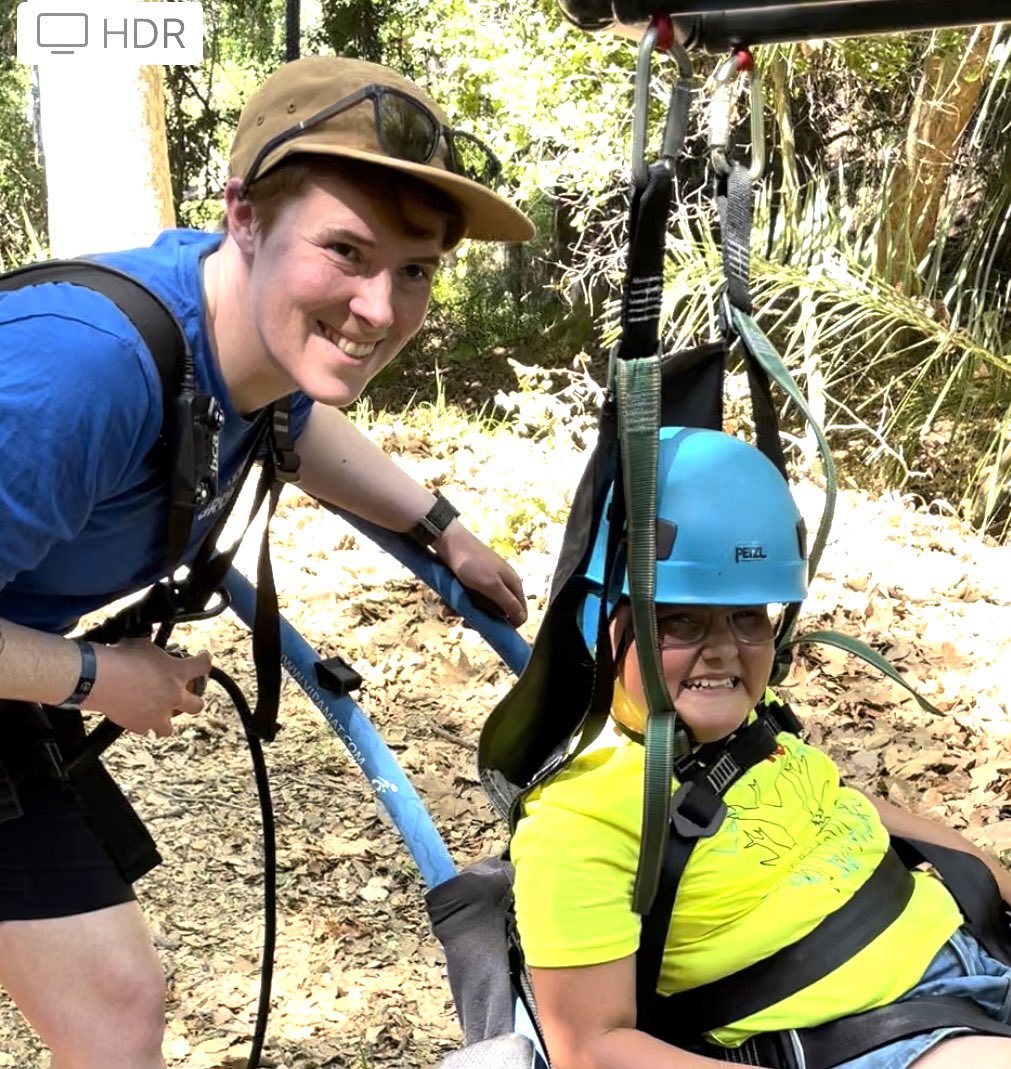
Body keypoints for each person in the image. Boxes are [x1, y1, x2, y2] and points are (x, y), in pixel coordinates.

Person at [0, 55, 533, 1069]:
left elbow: (296, 421)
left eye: (414, 269)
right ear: (243, 215)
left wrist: (440, 525)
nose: (380, 309)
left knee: (111, 1007)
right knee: (110, 1009)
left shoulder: (243, 338)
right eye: (346, 252)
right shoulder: (85, 375)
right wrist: (98, 677)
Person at [510, 426, 1011, 1069]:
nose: (723, 648)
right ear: (607, 623)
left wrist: (986, 882)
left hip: (968, 949)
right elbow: (591, 1048)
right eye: (681, 621)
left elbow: (836, 803)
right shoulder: (580, 822)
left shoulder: (755, 725)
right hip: (866, 1039)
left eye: (748, 617)